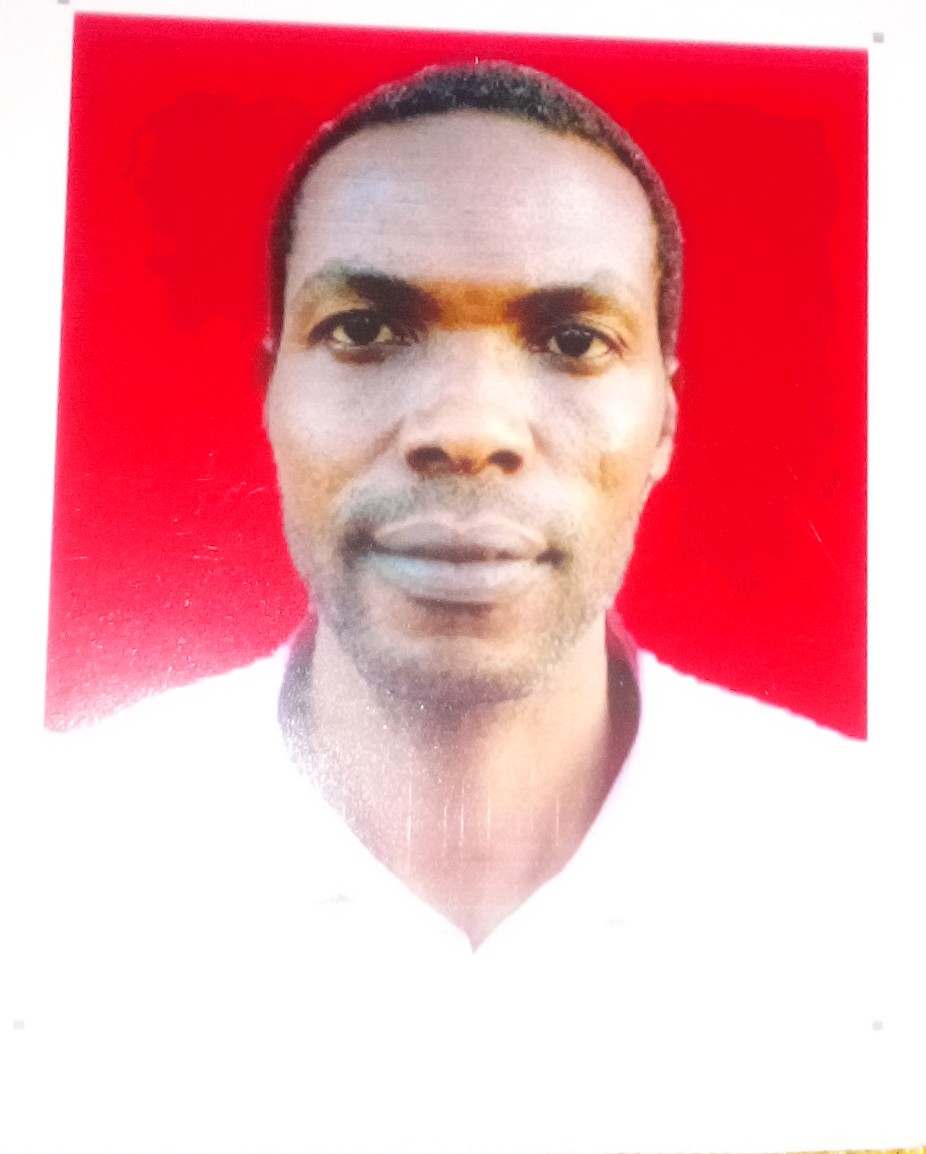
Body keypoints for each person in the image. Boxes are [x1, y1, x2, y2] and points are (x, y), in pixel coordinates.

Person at [11, 62, 923, 1154]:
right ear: (269, 392)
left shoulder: (879, 864)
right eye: (364, 328)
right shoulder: (45, 860)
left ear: (666, 423)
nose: (468, 426)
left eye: (573, 341)